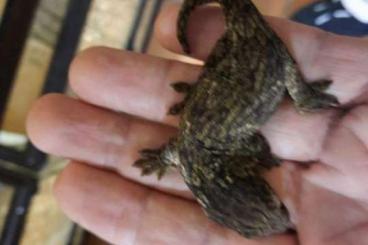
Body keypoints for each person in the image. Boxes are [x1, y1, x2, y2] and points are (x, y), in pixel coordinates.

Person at [26, 3, 368, 245]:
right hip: (247, 66)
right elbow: (176, 149)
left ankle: (298, 91)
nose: (282, 210)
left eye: (274, 204)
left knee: (285, 90)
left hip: (269, 63)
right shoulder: (190, 163)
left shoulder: (228, 157)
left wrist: (264, 148)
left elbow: (253, 146)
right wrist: (159, 158)